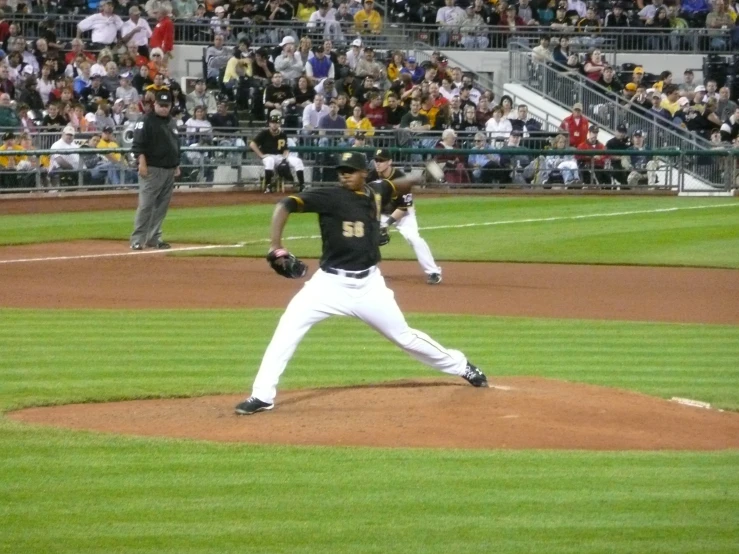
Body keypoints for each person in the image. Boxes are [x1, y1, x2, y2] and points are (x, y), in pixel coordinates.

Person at [234, 151, 488, 415]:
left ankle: (462, 366)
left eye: (350, 170)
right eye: (341, 170)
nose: (344, 174)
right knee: (286, 330)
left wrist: (425, 175)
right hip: (327, 286)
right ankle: (262, 396)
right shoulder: (329, 196)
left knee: (406, 337)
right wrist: (276, 246)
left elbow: (399, 183)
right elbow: (285, 203)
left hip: (369, 288)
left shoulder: (377, 191)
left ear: (364, 173)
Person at [368, 149, 443, 284]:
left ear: (390, 162)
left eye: (381, 160)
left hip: (402, 214)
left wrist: (387, 224)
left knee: (414, 238)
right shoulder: (371, 177)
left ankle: (433, 272)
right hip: (381, 213)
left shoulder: (400, 178)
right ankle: (367, 271)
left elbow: (403, 207)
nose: (378, 163)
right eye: (376, 160)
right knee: (366, 238)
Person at [130, 90, 181, 251]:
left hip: (168, 169)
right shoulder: (145, 120)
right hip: (152, 168)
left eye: (167, 105)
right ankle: (137, 239)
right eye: (161, 105)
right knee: (146, 205)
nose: (164, 108)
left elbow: (175, 145)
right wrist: (142, 164)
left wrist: (176, 164)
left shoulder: (171, 122)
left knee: (161, 207)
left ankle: (153, 238)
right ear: (155, 104)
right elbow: (138, 145)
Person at [250, 111, 306, 192]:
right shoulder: (264, 133)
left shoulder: (283, 135)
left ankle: (302, 185)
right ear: (269, 124)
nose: (274, 124)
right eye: (272, 122)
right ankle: (268, 186)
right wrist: (261, 155)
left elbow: (285, 149)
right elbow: (252, 144)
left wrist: (284, 160)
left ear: (279, 124)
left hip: (281, 157)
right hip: (268, 156)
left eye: (276, 123)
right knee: (270, 160)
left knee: (298, 161)